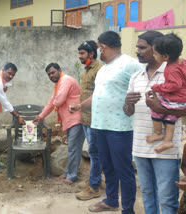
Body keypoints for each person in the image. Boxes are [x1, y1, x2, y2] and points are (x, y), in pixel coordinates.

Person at [124, 31, 184, 214]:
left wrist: (161, 108)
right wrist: (128, 103)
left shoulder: (174, 74)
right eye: (137, 47)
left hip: (166, 149)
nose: (137, 51)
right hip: (141, 146)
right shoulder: (135, 77)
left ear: (157, 50)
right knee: (148, 193)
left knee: (167, 198)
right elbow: (128, 113)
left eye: (142, 47)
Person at [88, 31, 143, 213]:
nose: (97, 52)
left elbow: (144, 85)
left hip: (120, 128)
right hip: (100, 127)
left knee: (123, 169)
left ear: (103, 46)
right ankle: (111, 200)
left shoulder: (130, 64)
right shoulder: (103, 68)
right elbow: (99, 96)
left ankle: (128, 209)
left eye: (98, 48)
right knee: (107, 166)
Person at [33, 63, 84, 185]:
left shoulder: (65, 80)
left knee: (73, 148)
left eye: (53, 72)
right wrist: (40, 117)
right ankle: (68, 172)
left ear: (59, 70)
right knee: (71, 148)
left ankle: (72, 176)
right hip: (70, 120)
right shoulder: (59, 84)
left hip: (76, 119)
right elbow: (52, 102)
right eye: (49, 74)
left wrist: (54, 101)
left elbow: (58, 100)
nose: (51, 76)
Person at [69, 40, 103, 200]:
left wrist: (79, 106)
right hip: (86, 118)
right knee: (93, 151)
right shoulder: (87, 70)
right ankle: (93, 180)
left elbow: (97, 96)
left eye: (82, 53)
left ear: (91, 54)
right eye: (79, 53)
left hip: (95, 119)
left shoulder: (99, 70)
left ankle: (94, 187)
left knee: (95, 153)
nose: (79, 56)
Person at [145, 33, 186, 153]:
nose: (153, 55)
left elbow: (175, 85)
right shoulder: (181, 62)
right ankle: (168, 141)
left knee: (155, 108)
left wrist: (158, 87)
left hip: (176, 99)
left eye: (155, 54)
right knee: (170, 117)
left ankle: (157, 133)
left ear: (165, 57)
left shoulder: (171, 69)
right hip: (181, 100)